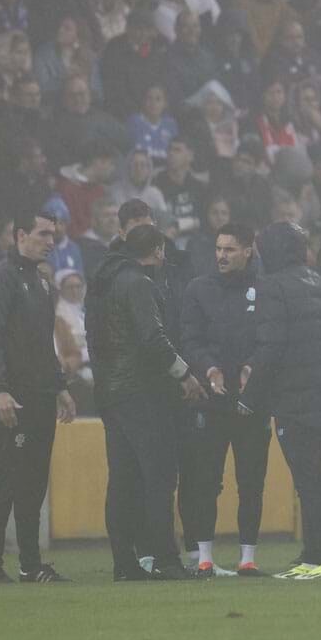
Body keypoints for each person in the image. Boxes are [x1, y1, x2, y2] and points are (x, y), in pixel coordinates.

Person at [86, 224, 207, 581]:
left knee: (122, 480)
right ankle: (166, 559)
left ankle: (124, 563)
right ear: (157, 251)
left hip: (109, 392)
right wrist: (184, 375)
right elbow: (152, 339)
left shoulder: (101, 281)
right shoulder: (139, 283)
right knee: (160, 477)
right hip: (142, 393)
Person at [238, 221, 321, 580]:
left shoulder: (272, 286)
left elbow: (271, 347)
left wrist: (250, 398)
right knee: (317, 478)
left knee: (307, 480)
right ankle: (319, 554)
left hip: (293, 400)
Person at [0, 211, 77, 584]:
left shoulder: (43, 283)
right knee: (7, 475)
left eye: (53, 234)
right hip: (14, 396)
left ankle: (30, 564)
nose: (51, 241)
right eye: (43, 234)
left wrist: (60, 386)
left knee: (35, 479)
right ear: (21, 235)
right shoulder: (2, 277)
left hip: (40, 395)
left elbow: (43, 346)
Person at [179, 222, 270, 577]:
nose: (221, 255)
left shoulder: (265, 289)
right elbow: (189, 338)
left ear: (249, 250)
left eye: (229, 249)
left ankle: (248, 559)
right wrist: (209, 368)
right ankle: (204, 559)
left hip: (252, 402)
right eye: (218, 248)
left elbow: (270, 339)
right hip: (209, 401)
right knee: (205, 481)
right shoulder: (198, 289)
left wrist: (253, 368)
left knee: (251, 482)